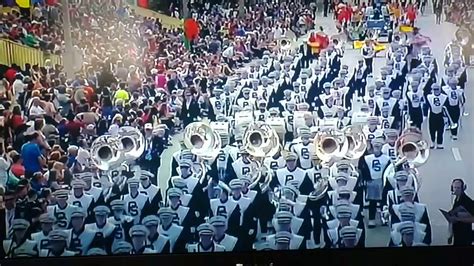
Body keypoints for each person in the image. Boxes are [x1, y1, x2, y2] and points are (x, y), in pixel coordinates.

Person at [448, 179, 474, 246]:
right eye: (454, 187)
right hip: (457, 234)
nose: (456, 190)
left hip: (465, 237)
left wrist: (458, 219)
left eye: (458, 188)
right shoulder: (457, 199)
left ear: (463, 188)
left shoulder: (467, 201)